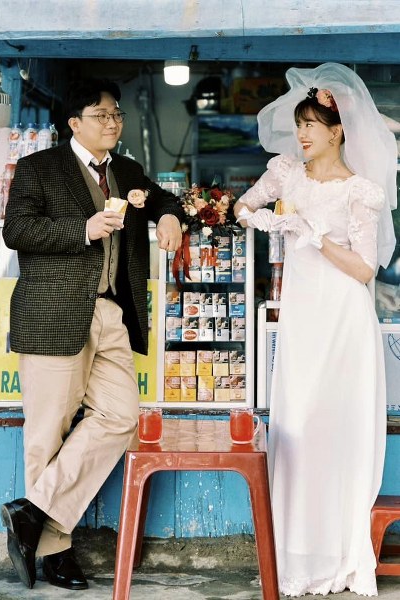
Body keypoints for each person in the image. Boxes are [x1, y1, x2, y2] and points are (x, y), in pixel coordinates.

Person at [0, 77, 183, 591]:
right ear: (74, 123)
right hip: (53, 313)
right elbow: (17, 230)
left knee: (122, 416)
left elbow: (162, 197)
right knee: (47, 433)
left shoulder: (127, 170)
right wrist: (84, 229)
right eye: (101, 115)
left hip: (112, 313)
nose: (113, 122)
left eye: (117, 114)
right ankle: (55, 551)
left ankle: (33, 511)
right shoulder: (40, 167)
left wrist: (169, 215)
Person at [234, 63, 397, 596]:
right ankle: (293, 554)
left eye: (310, 125)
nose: (301, 133)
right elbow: (243, 206)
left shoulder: (361, 192)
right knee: (297, 426)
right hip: (302, 317)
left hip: (344, 320)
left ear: (337, 131)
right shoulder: (286, 173)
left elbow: (365, 270)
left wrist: (314, 237)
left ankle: (336, 555)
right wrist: (271, 220)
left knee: (335, 431)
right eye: (299, 124)